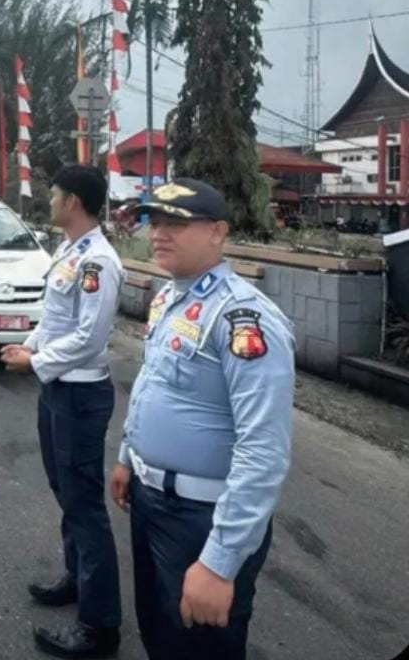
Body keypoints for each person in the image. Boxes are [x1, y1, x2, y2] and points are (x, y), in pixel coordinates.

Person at [110, 179, 295, 660]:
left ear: (218, 232)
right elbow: (154, 384)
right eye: (155, 222)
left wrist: (219, 562)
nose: (158, 234)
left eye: (176, 223)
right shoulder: (171, 296)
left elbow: (263, 450)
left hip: (203, 518)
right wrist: (128, 457)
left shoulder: (244, 318)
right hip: (151, 502)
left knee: (200, 648)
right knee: (159, 633)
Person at [0, 164, 124, 659]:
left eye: (54, 194)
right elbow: (56, 320)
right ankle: (78, 579)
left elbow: (90, 337)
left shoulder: (99, 262)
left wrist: (36, 361)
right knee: (65, 491)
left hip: (79, 396)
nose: (49, 200)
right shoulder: (69, 250)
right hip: (58, 390)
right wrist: (28, 344)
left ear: (73, 201)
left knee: (85, 505)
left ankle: (100, 626)